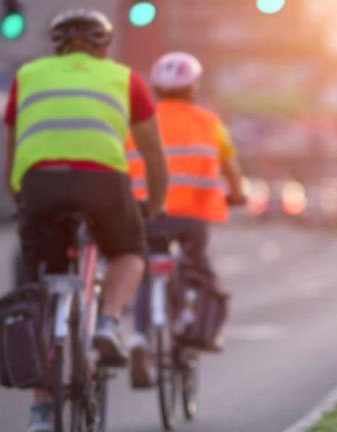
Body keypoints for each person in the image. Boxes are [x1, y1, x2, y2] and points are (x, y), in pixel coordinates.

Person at [1, 9, 168, 431]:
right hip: (103, 184)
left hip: (40, 186)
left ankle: (40, 410)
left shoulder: (29, 75)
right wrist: (155, 204)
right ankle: (109, 321)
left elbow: (12, 147)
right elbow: (153, 153)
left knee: (41, 288)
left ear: (56, 46)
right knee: (129, 252)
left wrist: (19, 195)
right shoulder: (125, 78)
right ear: (105, 46)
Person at [125, 52, 245, 388]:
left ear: (156, 89)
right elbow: (231, 168)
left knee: (147, 272)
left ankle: (139, 339)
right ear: (194, 87)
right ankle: (190, 317)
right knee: (196, 269)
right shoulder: (209, 122)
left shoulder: (138, 121)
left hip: (147, 213)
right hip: (192, 217)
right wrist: (237, 193)